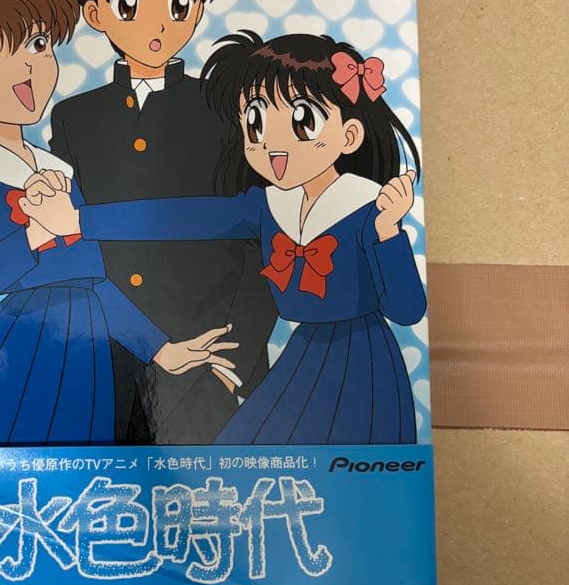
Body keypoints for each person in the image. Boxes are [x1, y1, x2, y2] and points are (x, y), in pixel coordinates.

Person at [0, 0, 237, 447]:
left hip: (92, 350)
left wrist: (162, 350)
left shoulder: (59, 169)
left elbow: (95, 279)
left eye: (37, 45)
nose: (24, 69)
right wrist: (35, 235)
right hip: (24, 343)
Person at [33, 31, 427, 445]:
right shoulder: (267, 205)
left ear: (349, 136)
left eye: (302, 122)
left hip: (364, 366)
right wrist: (80, 220)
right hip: (304, 356)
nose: (272, 144)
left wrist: (389, 233)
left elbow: (407, 311)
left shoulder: (367, 207)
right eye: (256, 122)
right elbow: (175, 219)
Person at [50, 0, 277, 444]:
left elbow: (266, 239)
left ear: (198, 8)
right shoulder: (75, 116)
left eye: (178, 2)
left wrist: (233, 361)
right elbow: (67, 239)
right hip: (106, 350)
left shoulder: (226, 110)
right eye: (130, 2)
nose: (158, 25)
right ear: (95, 13)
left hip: (211, 352)